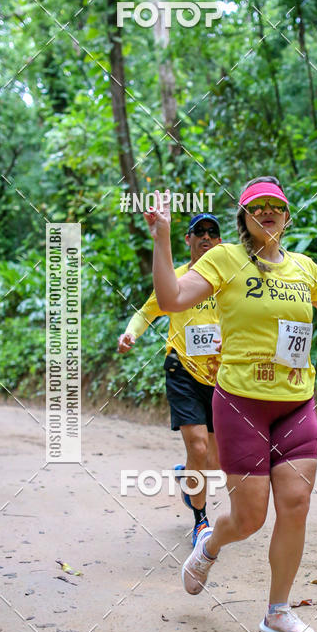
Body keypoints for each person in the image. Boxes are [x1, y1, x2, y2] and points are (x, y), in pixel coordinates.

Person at [145, 176, 317, 632]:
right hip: (240, 404)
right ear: (245, 217)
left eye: (277, 204)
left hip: (296, 403)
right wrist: (163, 238)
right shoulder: (225, 260)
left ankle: (277, 612)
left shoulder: (304, 268)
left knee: (295, 507)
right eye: (258, 206)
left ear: (288, 214)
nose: (269, 211)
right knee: (250, 518)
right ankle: (210, 544)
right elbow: (173, 298)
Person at [117, 213, 223, 546]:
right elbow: (147, 311)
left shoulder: (228, 281)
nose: (206, 236)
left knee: (214, 461)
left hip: (221, 376)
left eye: (212, 232)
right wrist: (130, 333)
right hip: (182, 370)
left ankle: (186, 476)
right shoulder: (175, 279)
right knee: (198, 445)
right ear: (188, 240)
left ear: (219, 242)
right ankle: (201, 521)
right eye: (198, 232)